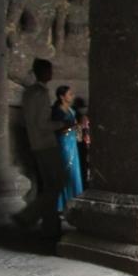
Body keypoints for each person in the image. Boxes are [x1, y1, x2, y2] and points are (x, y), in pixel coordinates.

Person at [13, 59, 67, 239]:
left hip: (35, 143)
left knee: (48, 186)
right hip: (46, 143)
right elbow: (42, 123)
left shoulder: (28, 93)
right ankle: (28, 215)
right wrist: (62, 123)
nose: (51, 73)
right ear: (44, 72)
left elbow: (26, 122)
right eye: (49, 70)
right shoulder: (41, 93)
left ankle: (50, 226)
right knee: (57, 183)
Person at [50, 85, 84, 213]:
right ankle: (62, 205)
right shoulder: (57, 111)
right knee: (66, 171)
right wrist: (73, 126)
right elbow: (57, 129)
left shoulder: (71, 109)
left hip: (72, 143)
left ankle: (74, 202)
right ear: (62, 97)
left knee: (74, 172)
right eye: (69, 94)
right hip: (63, 143)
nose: (72, 96)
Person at [72, 96, 91, 188]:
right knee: (84, 165)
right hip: (81, 143)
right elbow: (84, 132)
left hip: (79, 143)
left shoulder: (77, 116)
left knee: (83, 165)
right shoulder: (82, 117)